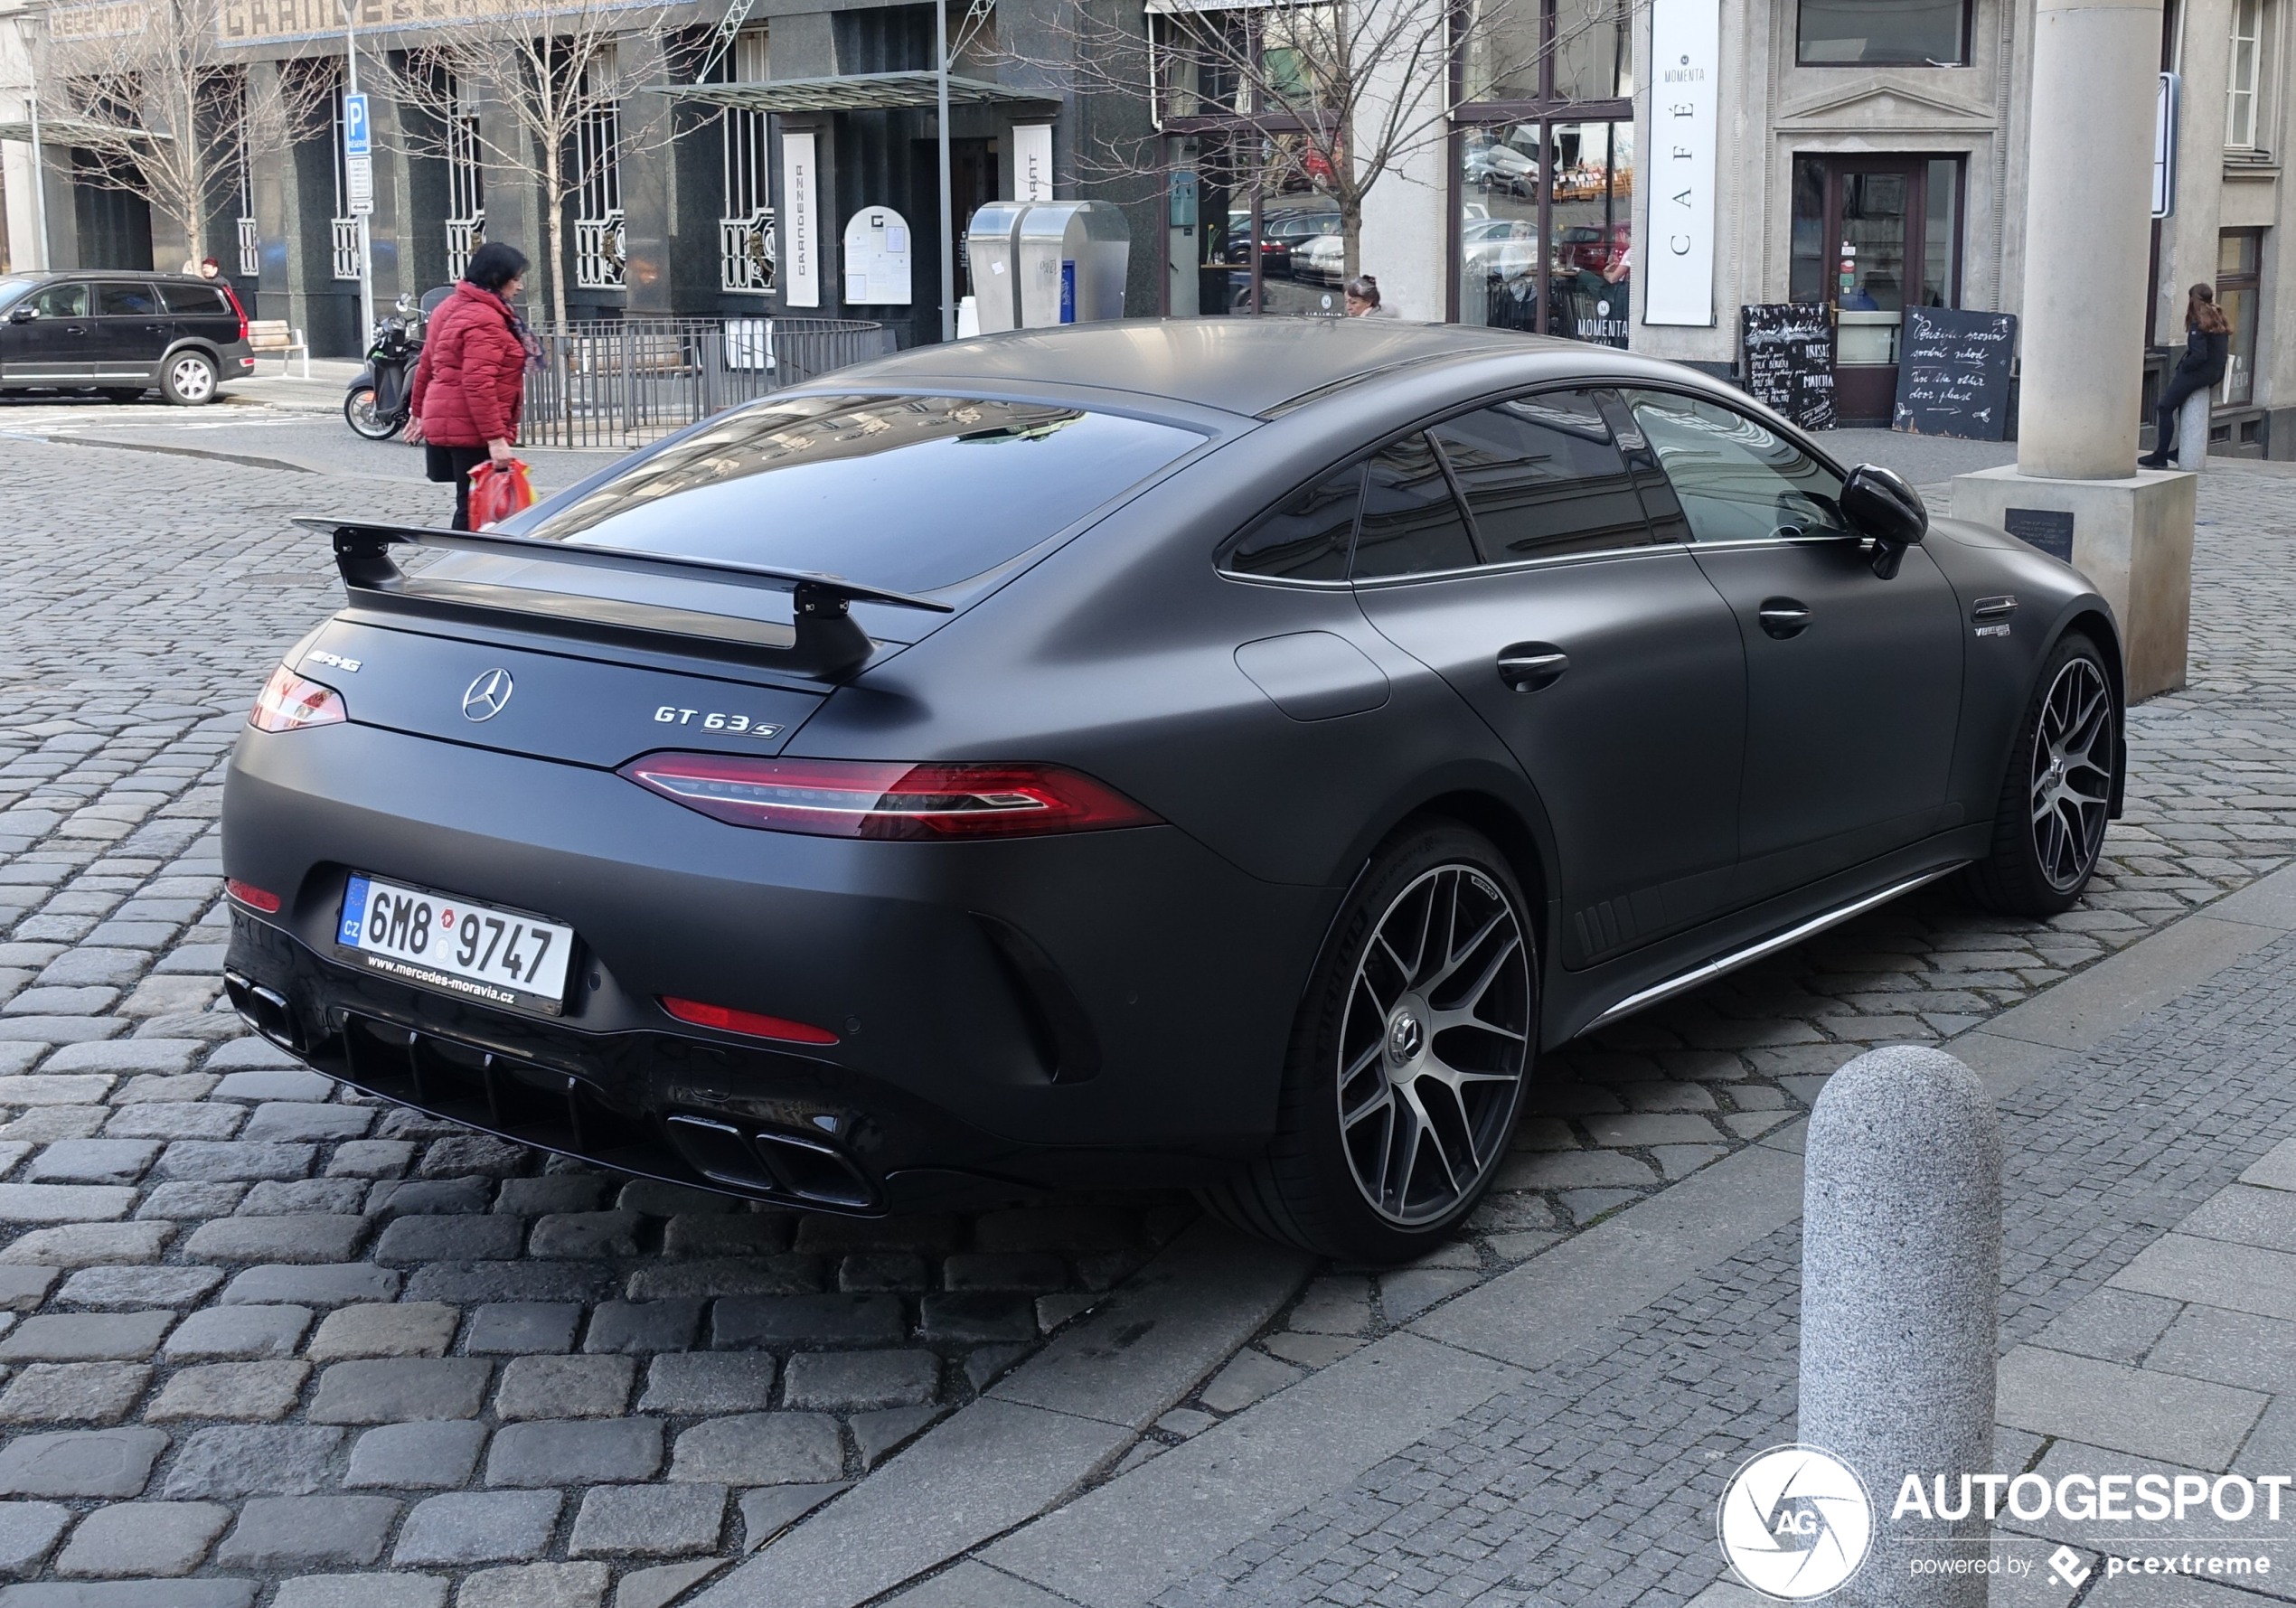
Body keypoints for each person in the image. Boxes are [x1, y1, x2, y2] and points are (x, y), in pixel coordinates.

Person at [408, 241, 536, 530]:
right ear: (495, 279)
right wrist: (496, 439)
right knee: (477, 509)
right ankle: (463, 566)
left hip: (452, 421)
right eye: (514, 279)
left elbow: (427, 361)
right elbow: (478, 383)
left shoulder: (450, 305)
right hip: (471, 426)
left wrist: (417, 412)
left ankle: (466, 563)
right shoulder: (485, 319)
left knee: (470, 501)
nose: (519, 287)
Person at [2139, 283, 2232, 468]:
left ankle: (2160, 456)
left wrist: (2184, 368)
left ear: (2194, 299)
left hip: (2198, 372)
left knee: (2164, 407)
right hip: (2214, 372)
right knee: (2182, 404)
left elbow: (2199, 354)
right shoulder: (2217, 315)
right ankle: (2180, 451)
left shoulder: (2200, 321)